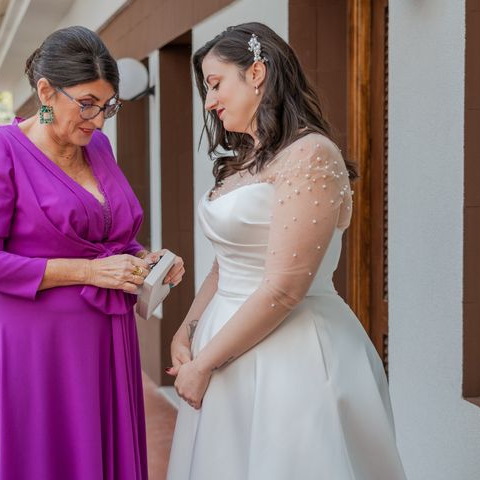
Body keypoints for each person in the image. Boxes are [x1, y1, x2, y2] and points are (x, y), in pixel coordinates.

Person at [166, 22, 406, 479]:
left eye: (215, 84)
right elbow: (225, 264)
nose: (210, 102)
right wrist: (187, 331)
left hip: (292, 353)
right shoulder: (245, 162)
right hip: (224, 347)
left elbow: (283, 288)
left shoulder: (311, 154)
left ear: (256, 72)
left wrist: (206, 362)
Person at [0, 26, 184, 480]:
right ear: (45, 92)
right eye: (87, 104)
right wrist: (93, 273)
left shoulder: (98, 146)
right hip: (26, 349)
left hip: (101, 345)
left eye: (108, 106)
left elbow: (106, 236)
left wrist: (144, 259)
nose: (97, 120)